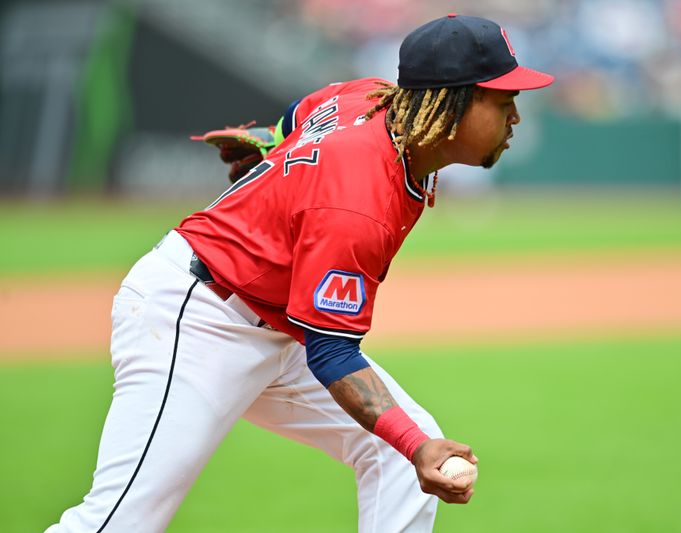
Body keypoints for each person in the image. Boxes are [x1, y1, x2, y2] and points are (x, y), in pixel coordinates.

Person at [46, 14, 554, 533]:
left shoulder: (371, 98)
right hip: (196, 319)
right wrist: (418, 447)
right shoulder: (358, 201)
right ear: (451, 103)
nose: (515, 115)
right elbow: (332, 352)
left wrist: (273, 143)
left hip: (272, 323)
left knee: (402, 462)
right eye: (502, 100)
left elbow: (303, 113)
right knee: (119, 521)